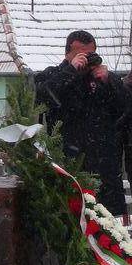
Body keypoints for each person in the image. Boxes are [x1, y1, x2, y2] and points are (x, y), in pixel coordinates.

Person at [35, 30, 129, 217]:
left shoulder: (103, 80)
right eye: (81, 54)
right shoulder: (53, 75)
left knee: (111, 231)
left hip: (104, 170)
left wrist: (109, 81)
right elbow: (43, 97)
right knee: (71, 223)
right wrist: (71, 71)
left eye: (90, 54)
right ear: (68, 54)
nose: (87, 59)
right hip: (69, 166)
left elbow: (125, 109)